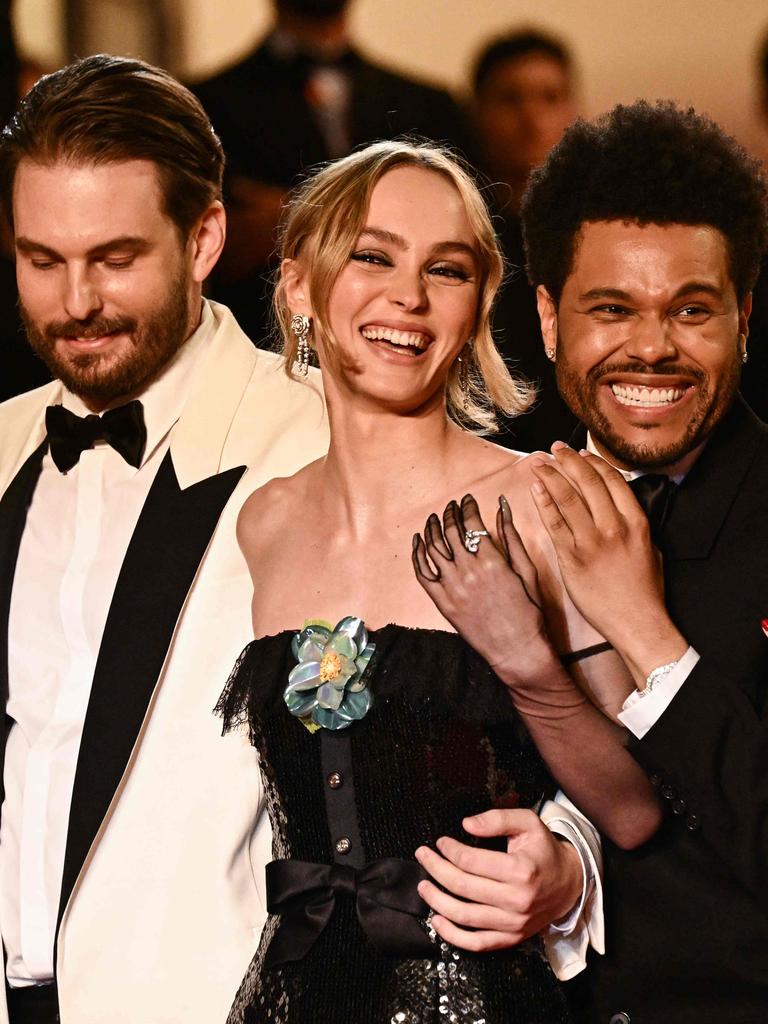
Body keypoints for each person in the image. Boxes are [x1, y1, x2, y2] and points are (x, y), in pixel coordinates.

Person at [215, 139, 661, 1022]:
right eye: (372, 256)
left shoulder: (546, 502)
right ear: (301, 286)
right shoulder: (261, 521)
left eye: (446, 270)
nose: (407, 297)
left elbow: (639, 805)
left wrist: (527, 667)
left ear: (479, 303)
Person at [419, 100, 768, 1023]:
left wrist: (644, 630)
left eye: (691, 311)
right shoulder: (489, 506)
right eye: (611, 309)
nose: (651, 346)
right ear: (546, 316)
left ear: (744, 315)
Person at [0, 55, 329, 1024]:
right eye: (41, 260)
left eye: (113, 258)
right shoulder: (2, 446)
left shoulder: (315, 442)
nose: (76, 304)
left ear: (203, 239)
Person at [192, 0, 472, 344]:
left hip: (403, 340)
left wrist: (292, 214)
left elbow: (461, 231)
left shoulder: (428, 106)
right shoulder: (205, 105)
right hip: (262, 346)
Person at [469, 29, 578, 452]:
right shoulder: (458, 240)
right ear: (478, 112)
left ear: (574, 109)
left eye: (549, 97)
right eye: (511, 99)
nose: (531, 118)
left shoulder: (604, 239)